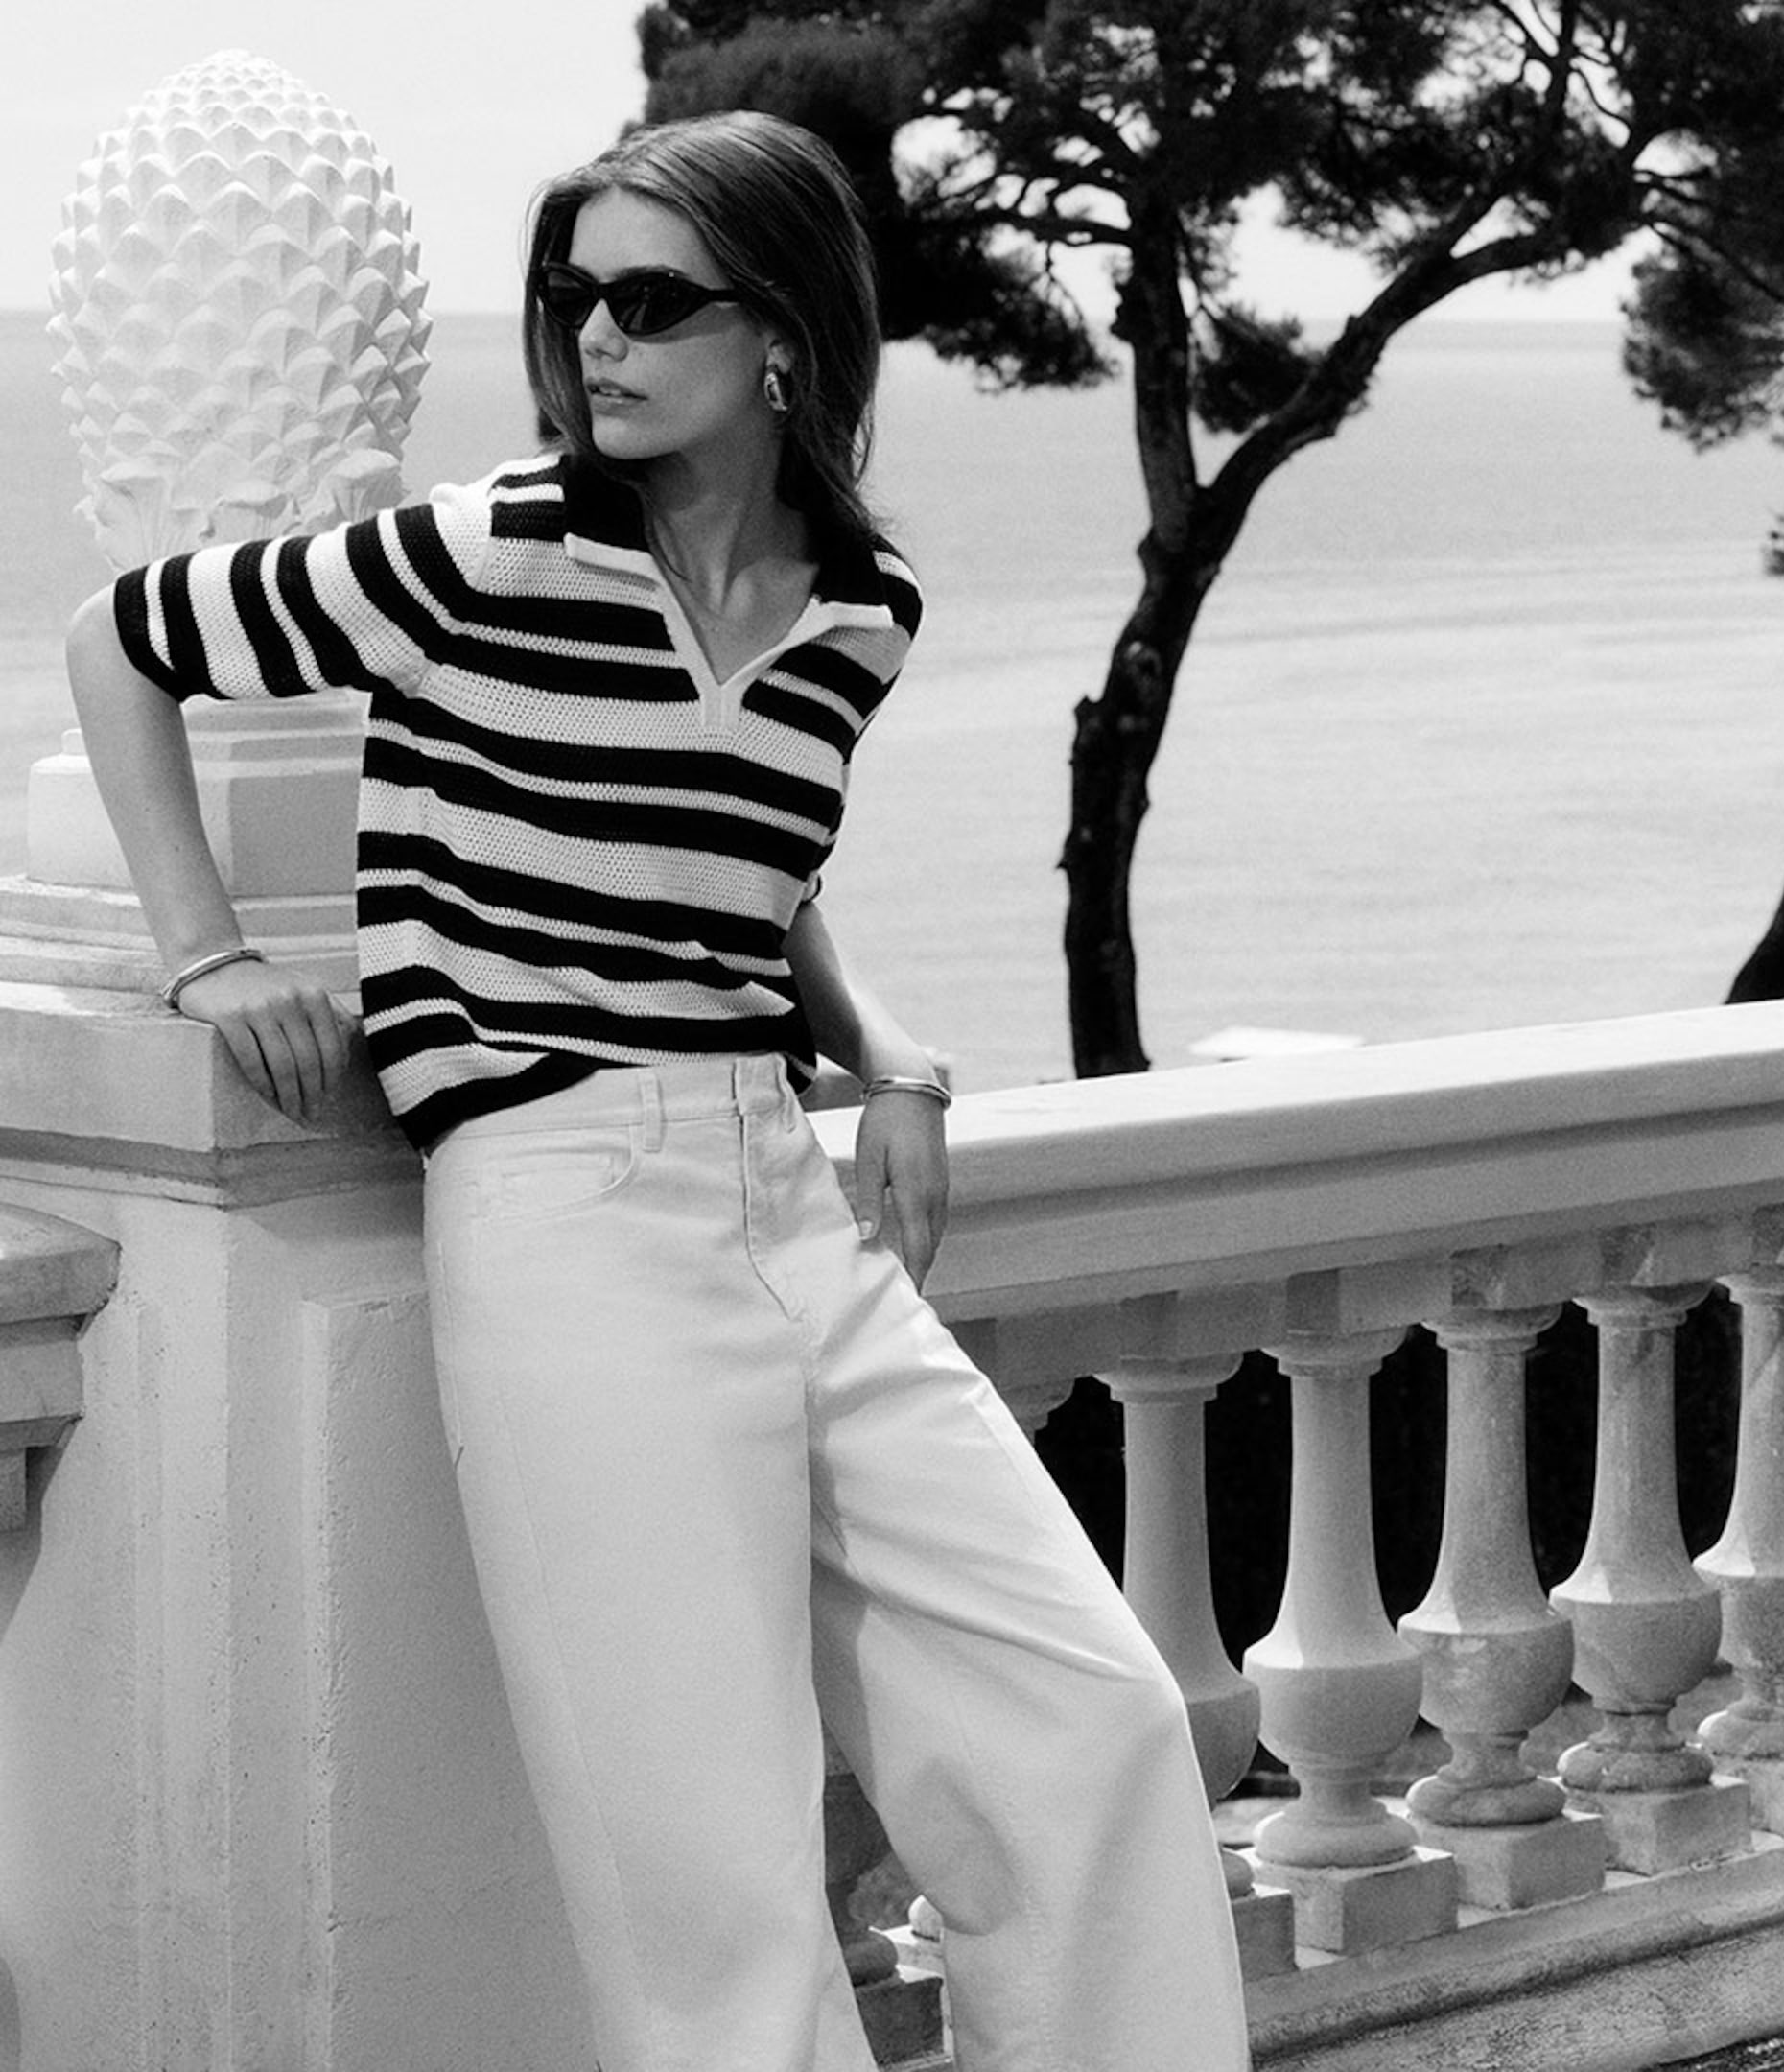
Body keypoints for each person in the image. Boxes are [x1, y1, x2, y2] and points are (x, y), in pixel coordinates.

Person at [65, 110, 1252, 2072]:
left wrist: (882, 1049)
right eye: (572, 298)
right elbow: (131, 640)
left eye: (647, 299)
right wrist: (207, 948)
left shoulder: (857, 616)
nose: (593, 339)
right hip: (561, 1215)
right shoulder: (487, 549)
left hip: (788, 1196)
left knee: (1090, 1718)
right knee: (707, 1870)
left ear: (780, 334)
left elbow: (747, 864)